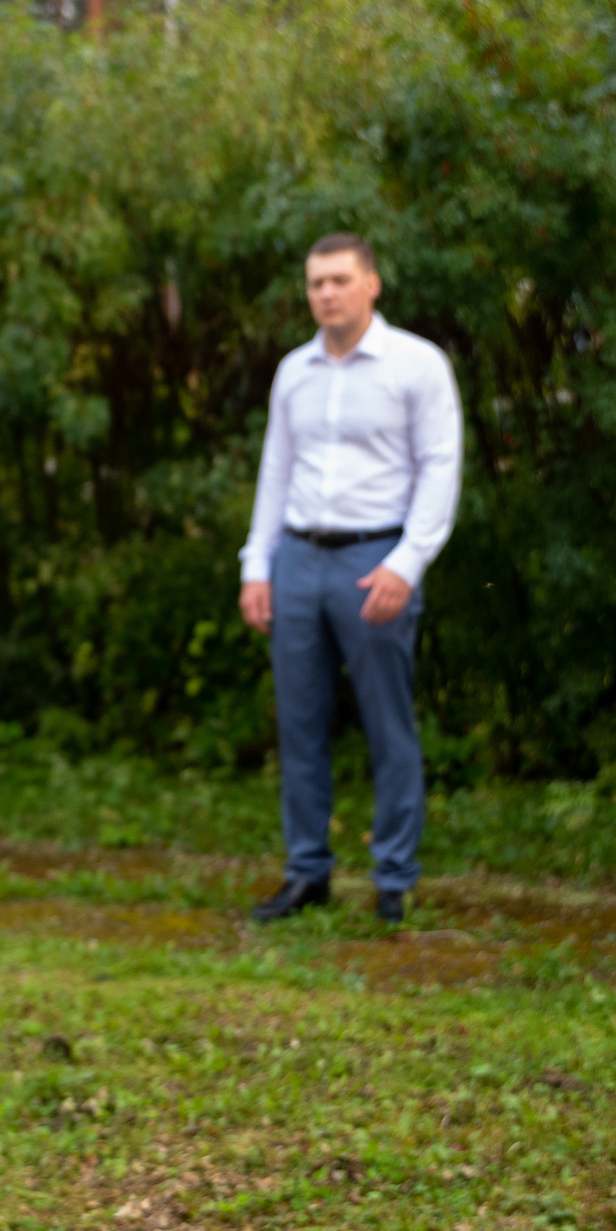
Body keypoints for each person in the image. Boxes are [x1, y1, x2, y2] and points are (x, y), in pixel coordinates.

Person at [238, 234, 463, 926]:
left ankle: (393, 877)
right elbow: (277, 469)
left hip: (376, 560)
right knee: (299, 723)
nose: (327, 293)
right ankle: (307, 872)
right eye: (316, 283)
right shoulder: (294, 372)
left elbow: (440, 467)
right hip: (298, 559)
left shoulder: (416, 364)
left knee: (387, 723)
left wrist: (407, 562)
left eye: (339, 279)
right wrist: (257, 564)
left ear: (372, 284)